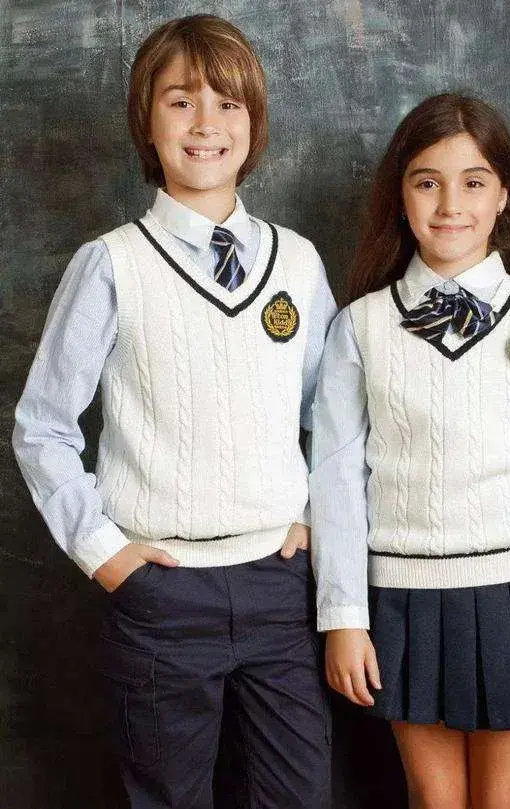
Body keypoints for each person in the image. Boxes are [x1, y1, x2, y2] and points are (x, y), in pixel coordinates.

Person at [13, 14, 335, 809]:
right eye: (181, 101)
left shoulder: (296, 261)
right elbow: (43, 425)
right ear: (147, 123)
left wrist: (310, 516)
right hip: (162, 591)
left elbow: (333, 414)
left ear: (253, 123)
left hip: (280, 584)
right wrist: (105, 552)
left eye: (227, 103)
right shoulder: (111, 263)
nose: (205, 124)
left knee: (297, 793)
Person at [310, 93, 510, 809]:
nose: (451, 204)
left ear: (503, 193)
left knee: (506, 798)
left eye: (473, 182)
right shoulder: (361, 327)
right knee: (433, 796)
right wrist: (344, 615)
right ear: (400, 196)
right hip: (405, 595)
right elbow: (335, 484)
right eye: (428, 182)